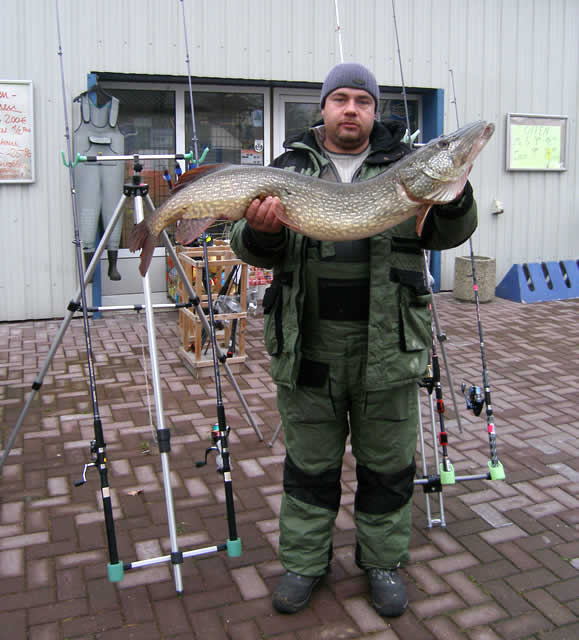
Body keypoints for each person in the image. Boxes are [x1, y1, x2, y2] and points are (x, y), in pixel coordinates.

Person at [230, 62, 477, 617]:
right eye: (339, 98)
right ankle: (303, 564)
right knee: (310, 467)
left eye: (361, 101)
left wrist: (456, 196)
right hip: (309, 344)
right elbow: (248, 246)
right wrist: (260, 231)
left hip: (388, 344)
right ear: (323, 107)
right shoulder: (289, 167)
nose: (350, 109)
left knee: (387, 467)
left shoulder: (407, 167)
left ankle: (383, 562)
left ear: (374, 110)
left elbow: (447, 232)